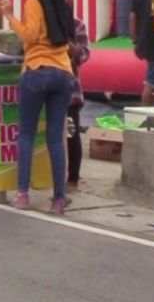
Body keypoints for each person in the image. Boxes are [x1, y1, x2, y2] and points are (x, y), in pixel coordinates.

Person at [0, 0, 74, 215]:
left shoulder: (34, 1)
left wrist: (10, 16)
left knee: (27, 134)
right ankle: (59, 198)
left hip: (37, 70)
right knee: (55, 137)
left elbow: (30, 36)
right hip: (64, 73)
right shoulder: (60, 3)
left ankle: (22, 194)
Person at [66, 12, 90, 190]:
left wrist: (67, 44)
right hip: (47, 89)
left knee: (71, 134)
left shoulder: (77, 25)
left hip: (70, 91)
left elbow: (83, 55)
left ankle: (73, 177)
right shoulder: (42, 21)